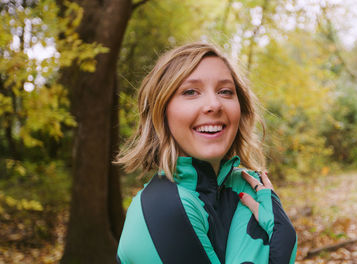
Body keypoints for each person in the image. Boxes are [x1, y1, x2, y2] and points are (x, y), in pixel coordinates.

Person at [115, 42, 297, 264]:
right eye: (190, 92)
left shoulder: (247, 187)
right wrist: (280, 251)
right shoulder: (161, 209)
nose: (214, 104)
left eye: (225, 92)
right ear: (161, 111)